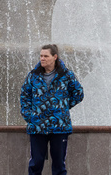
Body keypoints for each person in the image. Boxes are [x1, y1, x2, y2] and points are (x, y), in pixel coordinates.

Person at [20, 44, 84, 175]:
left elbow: (78, 93)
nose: (42, 59)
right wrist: (29, 116)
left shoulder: (66, 75)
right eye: (41, 56)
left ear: (54, 57)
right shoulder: (33, 75)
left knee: (59, 165)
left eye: (46, 56)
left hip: (59, 127)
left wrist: (63, 107)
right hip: (37, 127)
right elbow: (24, 96)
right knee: (36, 163)